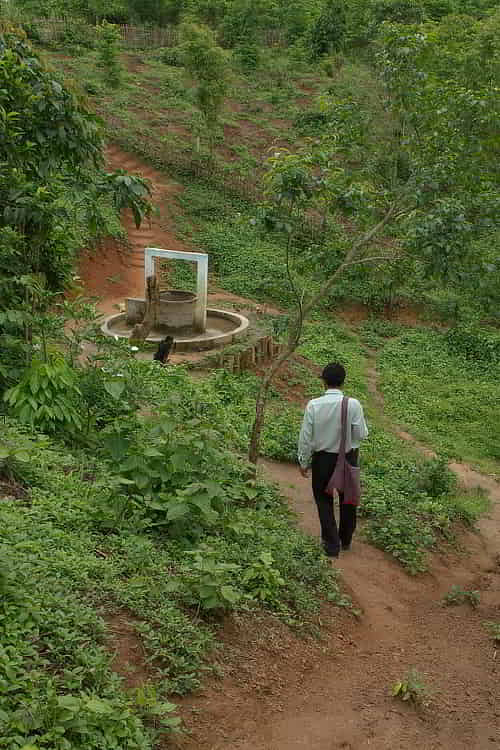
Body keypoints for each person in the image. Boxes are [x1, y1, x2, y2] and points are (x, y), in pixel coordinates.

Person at [298, 362, 368, 559]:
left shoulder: (313, 405)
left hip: (322, 460)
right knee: (348, 499)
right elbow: (361, 434)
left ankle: (331, 545)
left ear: (323, 382)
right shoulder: (353, 404)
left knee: (323, 500)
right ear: (343, 382)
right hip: (348, 457)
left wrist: (303, 461)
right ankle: (345, 539)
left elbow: (306, 437)